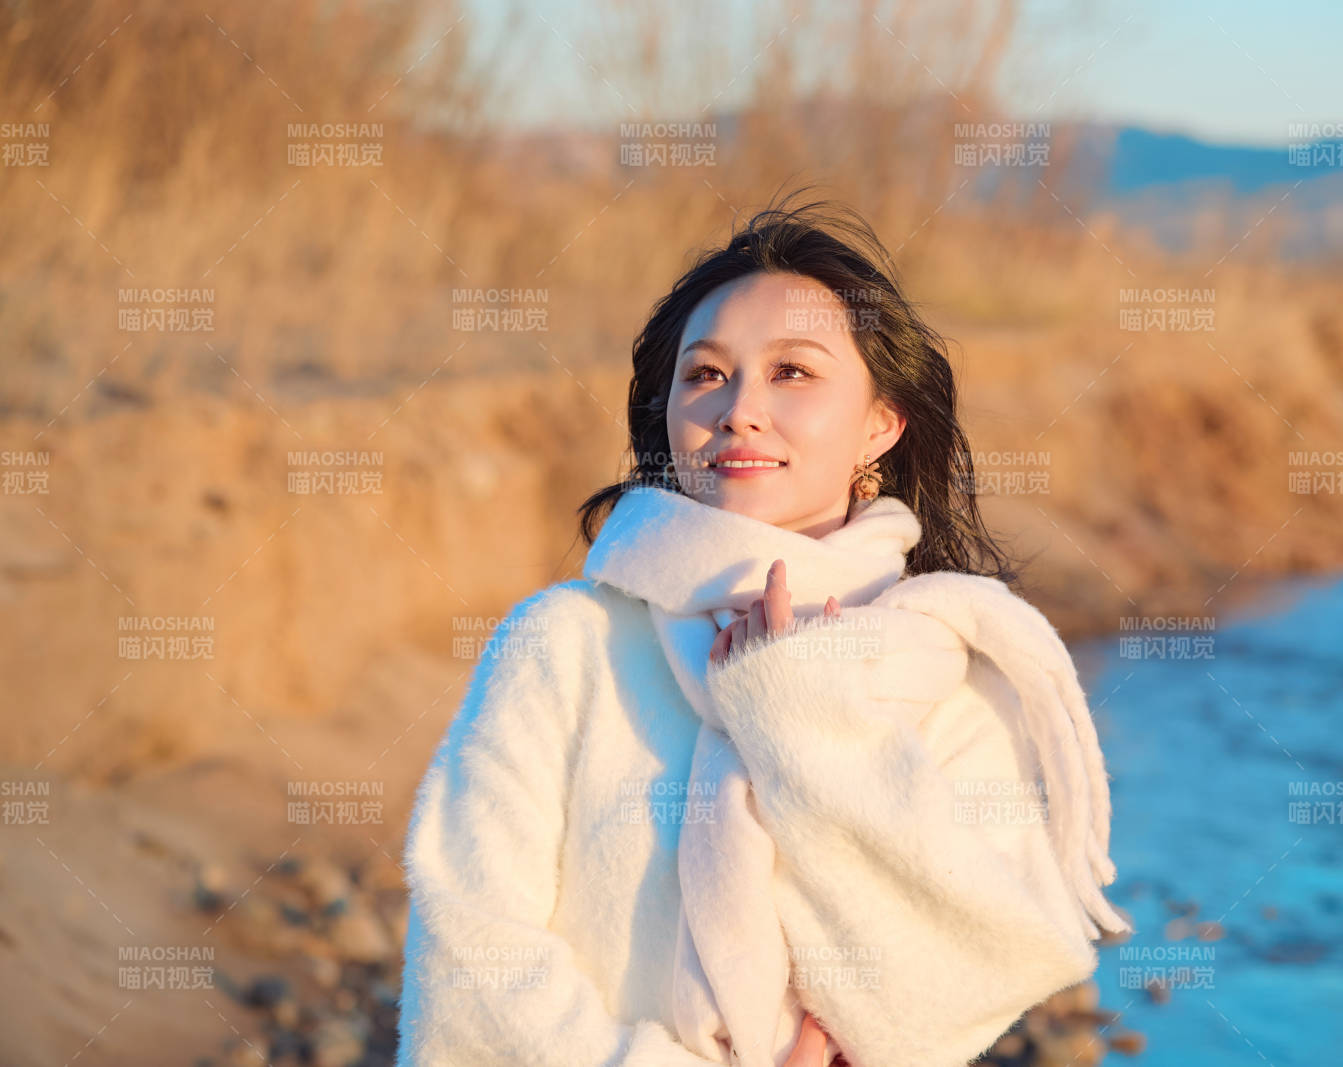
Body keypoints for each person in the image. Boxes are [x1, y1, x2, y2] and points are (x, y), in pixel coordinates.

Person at [397, 192, 1130, 1067]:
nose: (738, 409)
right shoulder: (564, 645)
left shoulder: (954, 676)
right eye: (705, 373)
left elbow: (936, 1000)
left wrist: (795, 716)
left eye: (793, 372)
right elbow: (469, 955)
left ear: (880, 424)